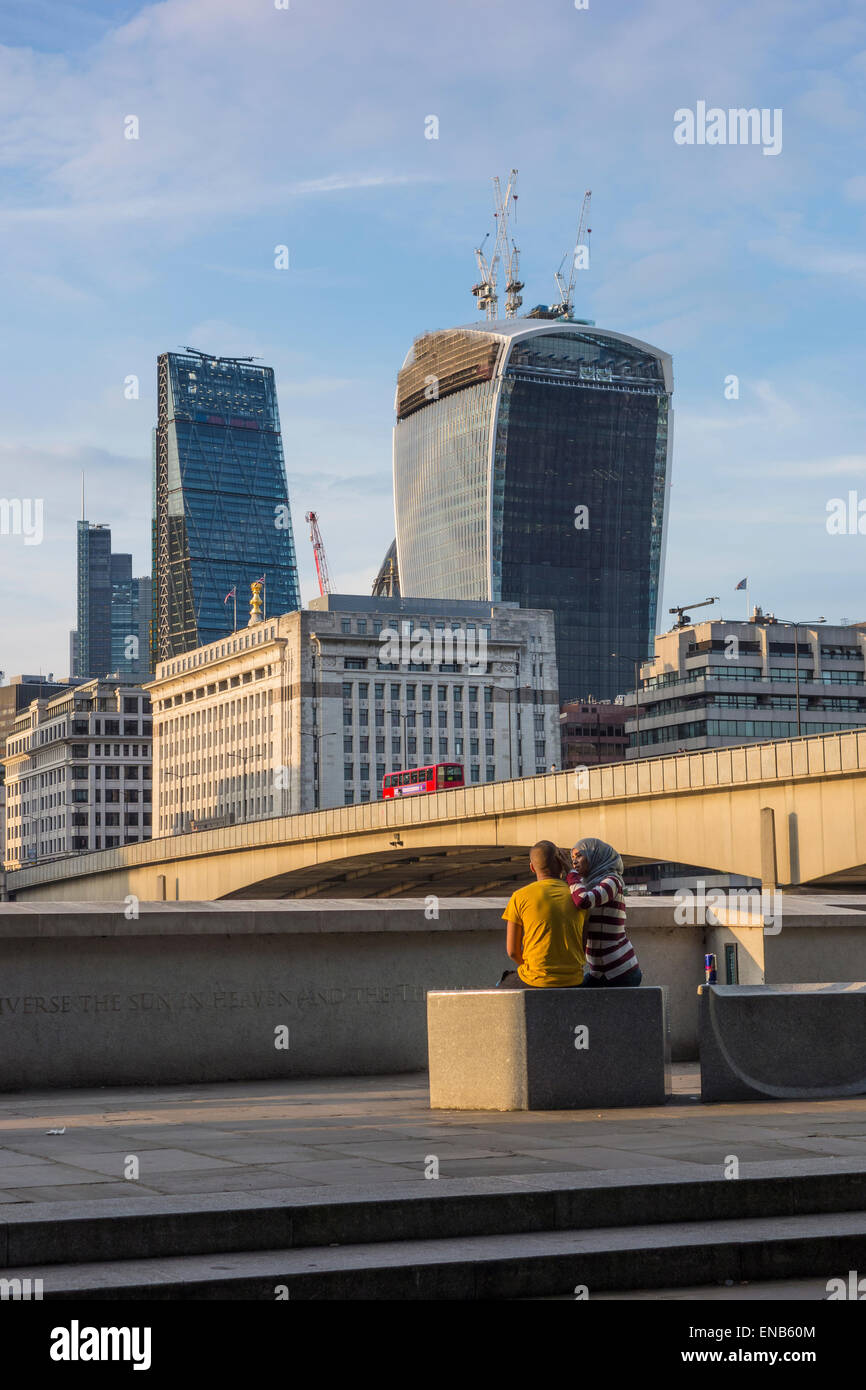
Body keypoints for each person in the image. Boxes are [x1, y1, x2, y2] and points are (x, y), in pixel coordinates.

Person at [497, 840, 587, 989]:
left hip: (535, 979)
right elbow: (584, 944)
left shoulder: (519, 896)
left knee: (501, 988)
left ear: (532, 868)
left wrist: (534, 969)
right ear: (561, 864)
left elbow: (512, 951)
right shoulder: (578, 896)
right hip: (574, 979)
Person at [566, 837, 642, 987]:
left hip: (621, 972)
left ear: (595, 857)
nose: (574, 862)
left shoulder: (612, 881)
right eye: (572, 858)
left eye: (579, 856)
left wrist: (571, 874)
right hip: (600, 972)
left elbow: (584, 901)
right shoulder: (585, 884)